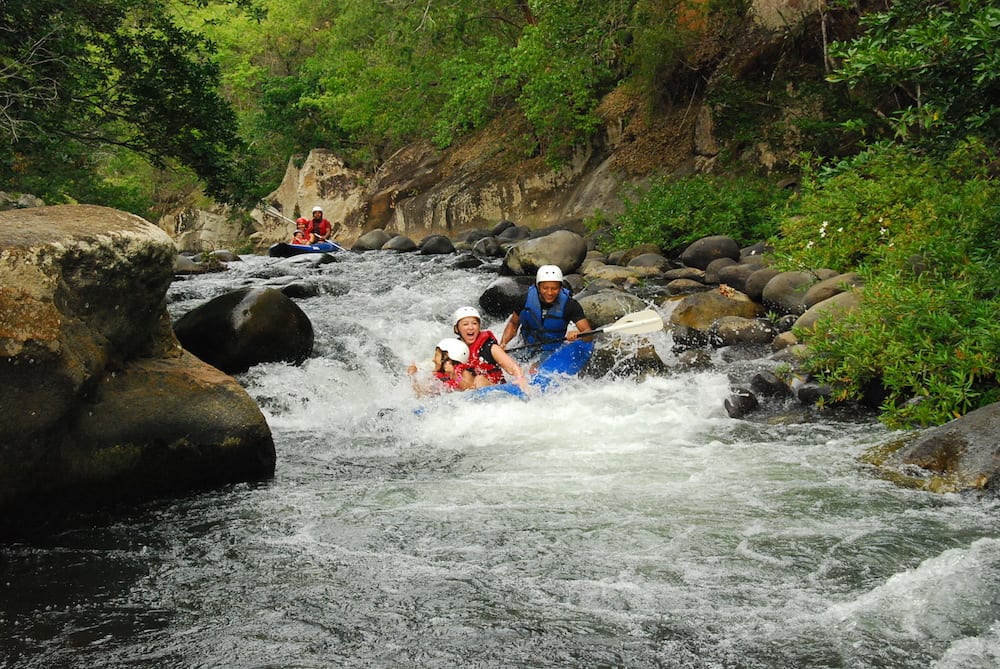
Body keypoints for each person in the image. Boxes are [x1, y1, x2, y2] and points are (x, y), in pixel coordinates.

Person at [499, 265, 592, 355]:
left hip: (552, 350)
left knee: (533, 370)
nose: (550, 292)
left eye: (554, 288)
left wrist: (579, 334)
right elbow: (513, 323)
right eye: (545, 288)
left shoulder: (570, 305)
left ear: (560, 287)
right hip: (525, 346)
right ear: (538, 287)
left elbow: (589, 334)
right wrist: (503, 344)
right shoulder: (524, 299)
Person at [452, 306, 530, 393]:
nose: (471, 327)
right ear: (456, 329)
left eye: (474, 323)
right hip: (468, 390)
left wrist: (520, 378)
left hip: (493, 389)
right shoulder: (453, 349)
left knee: (479, 379)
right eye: (465, 324)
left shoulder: (490, 347)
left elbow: (512, 367)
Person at [407, 338, 477, 396]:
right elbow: (422, 395)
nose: (433, 360)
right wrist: (413, 377)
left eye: (436, 355)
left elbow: (471, 390)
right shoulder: (436, 376)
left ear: (447, 358)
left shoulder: (463, 374)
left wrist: (455, 375)